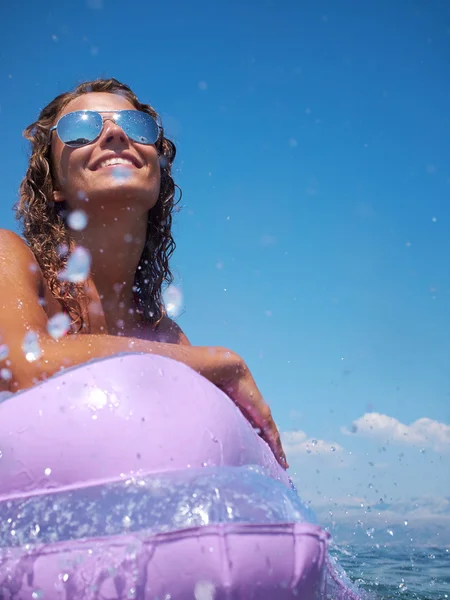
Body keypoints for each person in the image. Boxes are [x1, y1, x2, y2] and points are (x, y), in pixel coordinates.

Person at [0, 78, 288, 469]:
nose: (115, 133)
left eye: (136, 125)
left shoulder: (164, 335)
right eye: (81, 127)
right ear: (53, 184)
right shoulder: (11, 258)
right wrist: (222, 362)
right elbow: (20, 366)